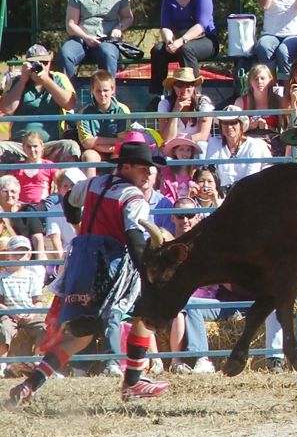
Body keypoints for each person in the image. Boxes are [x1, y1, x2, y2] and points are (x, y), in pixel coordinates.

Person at [5, 142, 170, 405]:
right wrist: (147, 274)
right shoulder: (133, 197)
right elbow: (134, 236)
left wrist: (78, 225)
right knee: (145, 312)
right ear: (126, 167)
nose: (148, 174)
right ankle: (132, 381)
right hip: (110, 266)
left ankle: (30, 384)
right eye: (143, 168)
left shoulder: (94, 184)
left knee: (80, 335)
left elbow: (69, 200)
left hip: (82, 261)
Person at [0, 44, 80, 164]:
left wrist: (46, 81)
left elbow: (70, 104)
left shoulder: (59, 78)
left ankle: (67, 182)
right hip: (20, 145)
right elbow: (7, 109)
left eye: (45, 62)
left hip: (50, 145)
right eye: (36, 63)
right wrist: (23, 80)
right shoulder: (16, 81)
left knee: (71, 146)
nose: (41, 66)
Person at [166, 198, 216, 374]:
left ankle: (196, 358)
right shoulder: (166, 246)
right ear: (172, 218)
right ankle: (177, 361)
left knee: (188, 305)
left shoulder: (208, 247)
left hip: (206, 301)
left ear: (198, 217)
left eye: (190, 215)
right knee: (181, 309)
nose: (185, 220)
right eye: (180, 215)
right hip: (173, 303)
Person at [149, 0, 219, 96]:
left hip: (206, 39)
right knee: (158, 50)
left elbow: (201, 25)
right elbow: (165, 26)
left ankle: (195, 95)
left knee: (186, 50)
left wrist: (181, 41)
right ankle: (158, 95)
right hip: (177, 40)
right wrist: (169, 41)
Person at [0, 236, 47, 379]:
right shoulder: (2, 277)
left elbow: (38, 301)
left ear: (29, 255)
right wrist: (12, 313)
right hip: (9, 313)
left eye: (23, 253)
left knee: (44, 327)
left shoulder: (32, 277)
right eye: (16, 253)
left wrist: (32, 313)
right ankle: (3, 363)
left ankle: (37, 361)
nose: (20, 257)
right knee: (4, 329)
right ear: (8, 254)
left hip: (28, 313)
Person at [55, 0, 134, 78]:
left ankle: (108, 89)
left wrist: (119, 27)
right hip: (81, 39)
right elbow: (70, 25)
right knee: (66, 54)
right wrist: (86, 38)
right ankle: (63, 89)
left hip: (107, 40)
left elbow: (127, 17)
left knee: (108, 54)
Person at [206, 105, 272, 197]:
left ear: (241, 125)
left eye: (233, 122)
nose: (229, 127)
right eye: (225, 123)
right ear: (220, 125)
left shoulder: (253, 144)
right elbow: (210, 170)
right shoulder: (214, 142)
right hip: (220, 194)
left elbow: (251, 176)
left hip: (247, 193)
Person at [78, 70, 131, 178]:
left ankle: (116, 187)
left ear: (112, 89)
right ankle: (90, 189)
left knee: (121, 154)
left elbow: (123, 141)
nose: (102, 94)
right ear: (92, 90)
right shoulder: (84, 113)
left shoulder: (123, 110)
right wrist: (112, 143)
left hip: (116, 150)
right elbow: (87, 143)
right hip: (95, 152)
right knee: (89, 156)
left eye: (105, 90)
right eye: (98, 91)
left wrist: (96, 140)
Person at [256, 0, 297, 83]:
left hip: (296, 35)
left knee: (284, 51)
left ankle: (287, 89)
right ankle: (271, 88)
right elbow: (264, 5)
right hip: (271, 34)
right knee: (263, 46)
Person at [157, 67, 214, 152]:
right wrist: (176, 111)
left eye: (189, 85)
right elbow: (166, 138)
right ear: (173, 86)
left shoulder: (203, 102)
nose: (184, 89)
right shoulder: (165, 104)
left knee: (202, 145)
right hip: (175, 149)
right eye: (180, 84)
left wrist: (183, 141)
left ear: (194, 87)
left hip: (197, 148)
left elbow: (203, 135)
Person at [233, 64, 284, 145]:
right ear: (250, 81)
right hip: (247, 144)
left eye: (262, 78)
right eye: (256, 79)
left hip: (271, 143)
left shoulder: (279, 101)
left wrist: (267, 127)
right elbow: (233, 130)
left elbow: (283, 130)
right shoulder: (240, 102)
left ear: (270, 80)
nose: (259, 82)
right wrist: (249, 126)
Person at [0, 175, 46, 262]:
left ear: (18, 194)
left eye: (13, 191)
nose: (9, 195)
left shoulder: (27, 210)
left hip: (26, 259)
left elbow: (38, 238)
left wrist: (39, 264)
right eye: (5, 191)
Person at [45, 168, 86, 262]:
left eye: (73, 185)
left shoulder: (91, 206)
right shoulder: (54, 210)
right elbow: (56, 241)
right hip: (69, 255)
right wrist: (62, 264)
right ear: (59, 190)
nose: (69, 189)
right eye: (65, 186)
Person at [9, 131, 57, 205]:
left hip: (42, 207)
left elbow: (61, 181)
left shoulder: (49, 166)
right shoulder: (16, 167)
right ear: (23, 148)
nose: (32, 150)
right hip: (21, 207)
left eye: (35, 146)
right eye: (28, 146)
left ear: (42, 147)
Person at [159, 134, 201, 203]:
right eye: (181, 149)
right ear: (174, 152)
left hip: (192, 205)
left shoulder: (196, 171)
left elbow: (199, 193)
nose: (185, 153)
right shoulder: (167, 171)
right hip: (173, 206)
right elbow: (165, 193)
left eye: (188, 150)